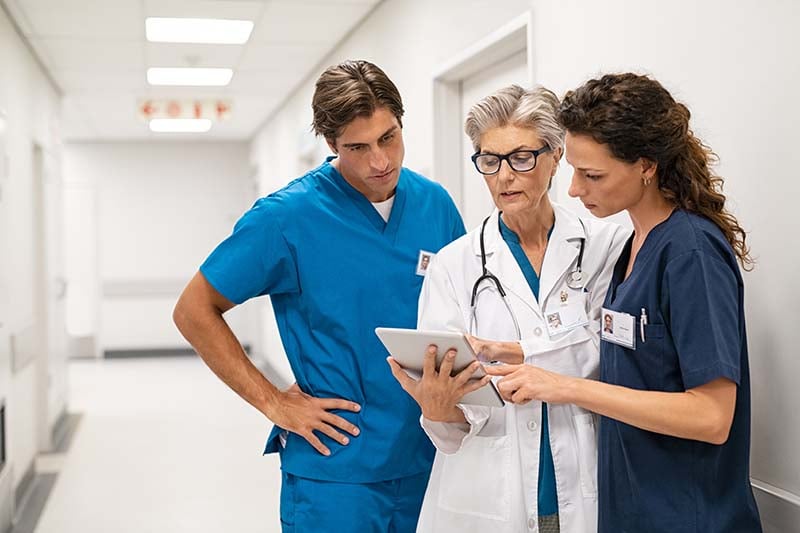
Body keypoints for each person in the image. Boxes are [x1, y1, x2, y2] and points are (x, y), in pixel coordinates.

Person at [173, 60, 465, 533]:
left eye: (389, 137)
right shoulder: (286, 219)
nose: (379, 161)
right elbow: (192, 310)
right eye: (358, 147)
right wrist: (272, 402)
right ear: (330, 145)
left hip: (432, 456)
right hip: (336, 471)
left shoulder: (436, 205)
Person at [486, 73, 762, 532]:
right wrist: (527, 356)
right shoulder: (632, 244)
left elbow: (712, 416)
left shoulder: (690, 252)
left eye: (592, 175)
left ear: (646, 166)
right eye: (573, 170)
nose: (574, 189)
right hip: (633, 512)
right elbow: (635, 359)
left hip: (690, 518)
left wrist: (564, 387)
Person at [388, 85, 628, 532]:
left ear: (556, 155)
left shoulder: (605, 247)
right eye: (490, 160)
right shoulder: (454, 265)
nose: (504, 176)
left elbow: (613, 359)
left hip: (585, 479)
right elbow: (452, 418)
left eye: (521, 158)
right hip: (491, 491)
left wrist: (525, 355)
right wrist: (439, 409)